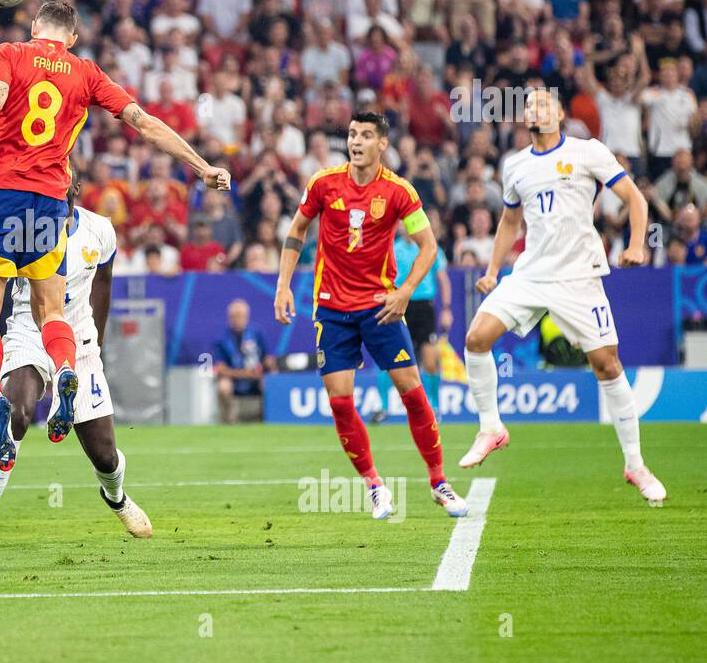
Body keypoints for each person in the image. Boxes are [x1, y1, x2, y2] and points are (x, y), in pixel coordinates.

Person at [0, 0, 230, 477]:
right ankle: (64, 370)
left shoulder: (9, 52)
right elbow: (144, 122)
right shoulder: (86, 72)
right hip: (50, 201)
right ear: (73, 37)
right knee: (52, 311)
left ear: (35, 26)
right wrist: (202, 167)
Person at [458, 90, 667, 505]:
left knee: (607, 365)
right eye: (530, 105)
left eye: (544, 105)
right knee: (476, 340)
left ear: (559, 115)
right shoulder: (514, 165)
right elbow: (509, 221)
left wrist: (638, 244)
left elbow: (634, 198)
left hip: (579, 277)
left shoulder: (587, 151)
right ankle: (491, 428)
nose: (536, 110)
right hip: (531, 274)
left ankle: (635, 464)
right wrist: (492, 270)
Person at [274, 111, 467, 520]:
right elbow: (296, 231)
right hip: (331, 309)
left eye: (365, 135)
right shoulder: (323, 183)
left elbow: (429, 247)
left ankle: (439, 482)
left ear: (382, 143)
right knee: (341, 403)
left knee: (412, 393)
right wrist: (283, 284)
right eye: (351, 134)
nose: (356, 141)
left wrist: (405, 292)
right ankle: (375, 486)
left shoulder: (399, 192)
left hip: (380, 308)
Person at [0, 184, 150, 548]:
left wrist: (96, 342)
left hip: (79, 340)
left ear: (74, 195)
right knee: (15, 414)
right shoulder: (22, 230)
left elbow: (103, 282)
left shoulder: (100, 230)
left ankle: (115, 496)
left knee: (104, 454)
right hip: (28, 332)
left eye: (60, 199)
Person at [371, 220, 452, 423]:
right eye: (402, 224)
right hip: (398, 305)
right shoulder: (391, 248)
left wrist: (447, 310)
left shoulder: (429, 247)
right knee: (389, 357)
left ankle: (434, 407)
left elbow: (443, 279)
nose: (405, 227)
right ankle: (383, 407)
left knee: (430, 359)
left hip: (424, 307)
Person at [212, 298, 276, 424]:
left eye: (241, 316)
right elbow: (221, 369)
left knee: (270, 382)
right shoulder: (221, 339)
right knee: (223, 386)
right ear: (229, 317)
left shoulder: (256, 333)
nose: (237, 319)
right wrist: (244, 374)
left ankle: (268, 418)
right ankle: (228, 421)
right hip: (234, 378)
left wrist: (270, 367)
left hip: (256, 377)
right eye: (234, 316)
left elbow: (266, 357)